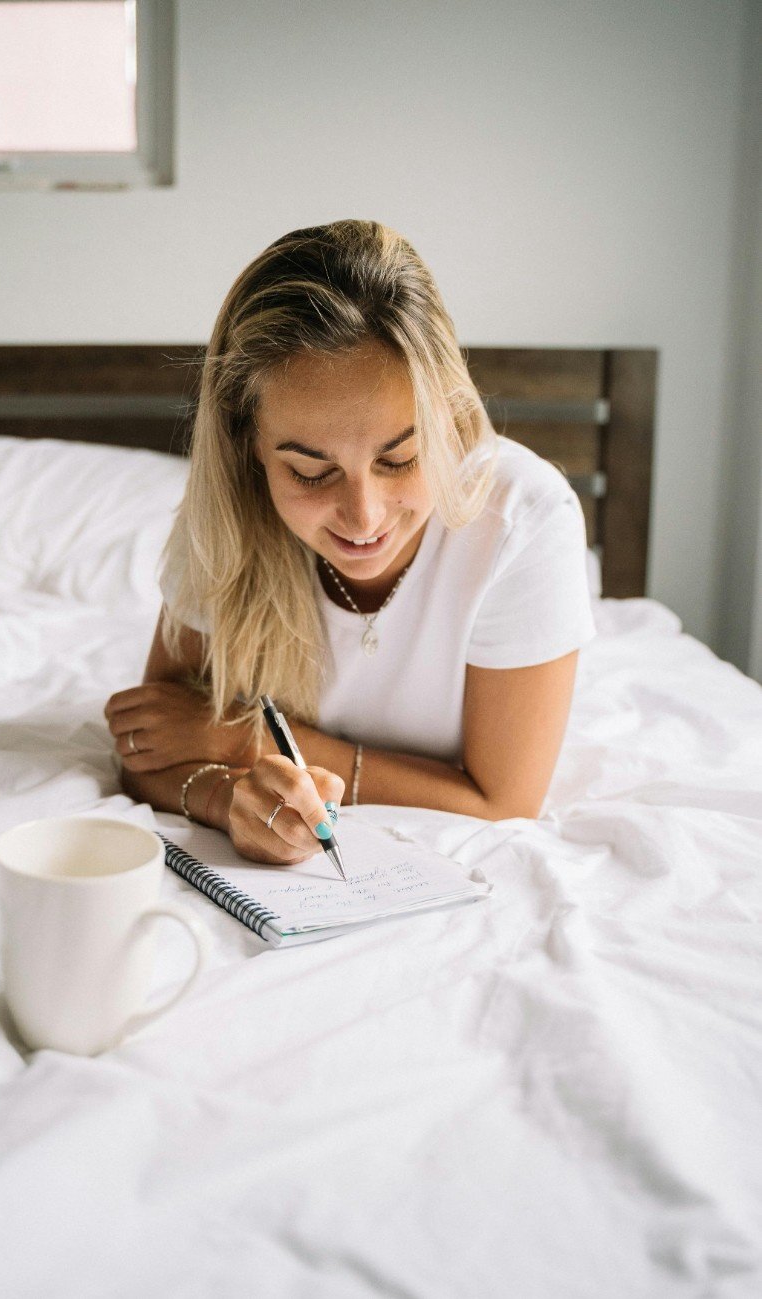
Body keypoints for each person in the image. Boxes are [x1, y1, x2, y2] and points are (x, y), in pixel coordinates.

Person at [104, 220, 595, 865]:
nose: (363, 518)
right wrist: (228, 802)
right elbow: (151, 746)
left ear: (448, 421)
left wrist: (248, 742)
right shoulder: (225, 519)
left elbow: (503, 803)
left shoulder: (524, 520)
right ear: (249, 449)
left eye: (402, 459)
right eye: (310, 472)